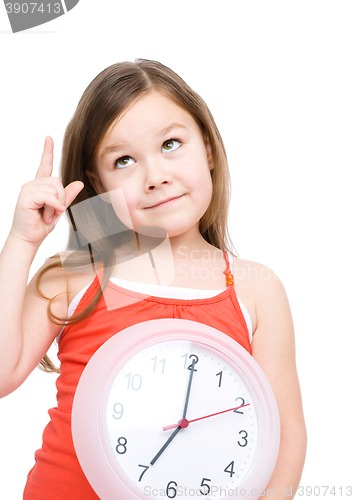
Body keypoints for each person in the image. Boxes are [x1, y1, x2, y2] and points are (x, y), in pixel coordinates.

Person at [0, 58, 306, 499]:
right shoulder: (77, 274)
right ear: (96, 184)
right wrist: (21, 241)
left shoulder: (255, 288)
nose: (155, 176)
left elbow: (286, 431)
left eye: (170, 144)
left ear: (208, 147)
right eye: (124, 160)